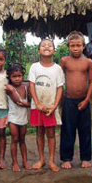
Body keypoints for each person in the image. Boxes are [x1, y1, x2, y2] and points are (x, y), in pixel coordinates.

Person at [59, 31, 92, 169]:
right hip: (69, 100)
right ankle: (66, 158)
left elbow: (91, 82)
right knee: (68, 130)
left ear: (83, 46)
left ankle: (85, 157)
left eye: (78, 45)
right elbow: (58, 79)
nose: (75, 48)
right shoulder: (64, 61)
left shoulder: (88, 62)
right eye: (72, 45)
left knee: (85, 130)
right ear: (68, 46)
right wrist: (61, 97)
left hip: (84, 101)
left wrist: (87, 99)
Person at [29, 39, 64, 172]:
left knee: (51, 133)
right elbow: (31, 85)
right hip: (37, 106)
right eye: (43, 45)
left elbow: (60, 88)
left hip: (51, 107)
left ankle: (51, 160)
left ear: (54, 51)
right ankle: (41, 159)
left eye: (50, 45)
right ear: (39, 51)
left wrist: (55, 106)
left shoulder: (57, 69)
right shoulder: (34, 67)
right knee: (39, 132)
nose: (47, 47)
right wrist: (37, 103)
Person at [5, 63, 32, 172]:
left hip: (23, 118)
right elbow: (18, 102)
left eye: (19, 76)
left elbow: (30, 98)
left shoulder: (25, 87)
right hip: (13, 118)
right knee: (14, 139)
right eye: (14, 76)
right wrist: (30, 105)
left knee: (22, 140)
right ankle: (14, 162)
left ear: (23, 76)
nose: (17, 79)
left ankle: (25, 161)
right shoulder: (10, 89)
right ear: (9, 77)